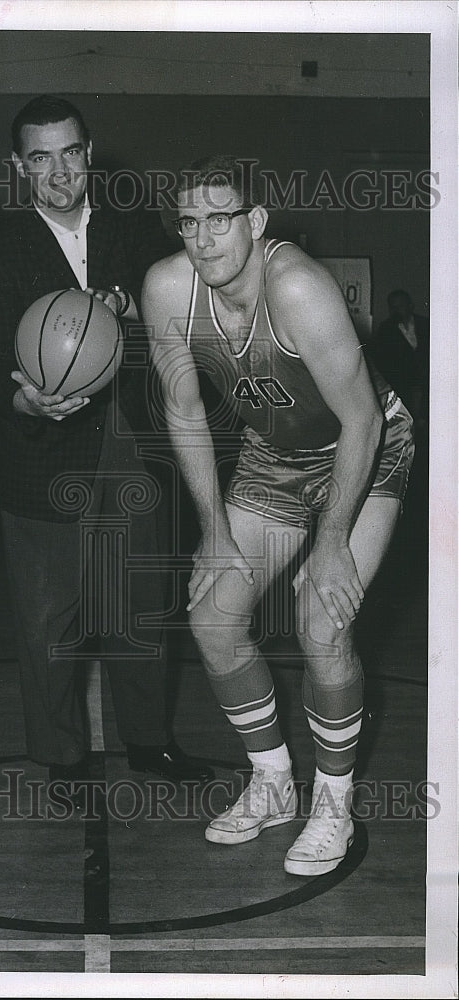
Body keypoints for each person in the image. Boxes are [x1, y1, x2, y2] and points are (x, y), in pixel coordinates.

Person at [142, 155, 414, 875]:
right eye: (190, 222)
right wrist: (214, 532)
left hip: (365, 446)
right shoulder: (168, 290)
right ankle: (271, 783)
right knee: (212, 614)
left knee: (322, 617)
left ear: (256, 223)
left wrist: (331, 542)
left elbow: (362, 420)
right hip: (274, 455)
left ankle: (334, 805)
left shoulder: (298, 288)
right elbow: (184, 410)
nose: (204, 240)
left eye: (221, 220)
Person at [0, 95, 209, 785]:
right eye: (39, 157)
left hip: (132, 438)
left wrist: (120, 302)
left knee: (137, 605)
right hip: (40, 449)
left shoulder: (133, 227)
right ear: (20, 166)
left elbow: (176, 302)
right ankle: (62, 756)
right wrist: (24, 397)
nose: (57, 171)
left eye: (69, 153)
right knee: (48, 621)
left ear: (88, 152)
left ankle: (148, 742)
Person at [367, 289, 429, 426]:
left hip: (427, 383)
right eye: (392, 307)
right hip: (403, 383)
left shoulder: (426, 325)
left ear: (410, 306)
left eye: (400, 306)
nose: (396, 310)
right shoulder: (385, 329)